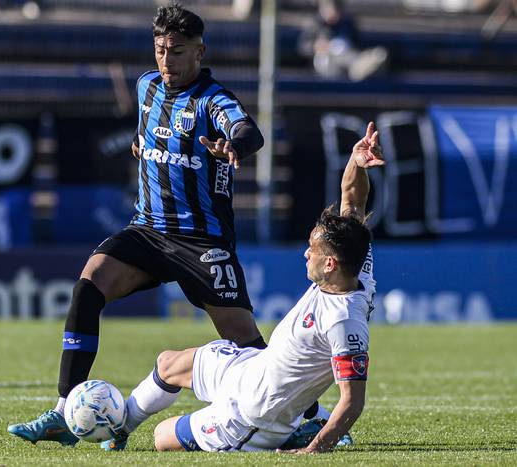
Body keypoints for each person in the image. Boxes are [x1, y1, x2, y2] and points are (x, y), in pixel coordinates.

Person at [8, 3, 269, 447]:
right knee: (89, 285)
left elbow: (249, 131)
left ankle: (307, 414)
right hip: (147, 231)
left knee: (245, 344)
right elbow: (149, 132)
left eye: (178, 51)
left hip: (200, 240)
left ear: (200, 52)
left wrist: (232, 146)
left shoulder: (212, 100)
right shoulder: (147, 87)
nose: (167, 60)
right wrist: (139, 143)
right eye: (161, 49)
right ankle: (63, 410)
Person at [113, 122, 383, 452]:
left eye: (313, 250)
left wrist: (315, 450)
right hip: (248, 367)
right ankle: (114, 429)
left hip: (253, 415)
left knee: (161, 437)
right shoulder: (355, 261)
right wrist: (356, 161)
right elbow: (353, 202)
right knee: (168, 363)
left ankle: (297, 433)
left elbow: (352, 401)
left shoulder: (344, 321)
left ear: (330, 264)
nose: (305, 253)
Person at [298, 0, 388, 82]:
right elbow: (303, 46)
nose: (331, 13)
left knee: (351, 55)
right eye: (327, 9)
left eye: (335, 10)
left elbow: (357, 43)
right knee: (335, 59)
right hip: (326, 62)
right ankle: (360, 68)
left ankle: (365, 64)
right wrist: (316, 46)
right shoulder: (315, 24)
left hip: (347, 58)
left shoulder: (347, 24)